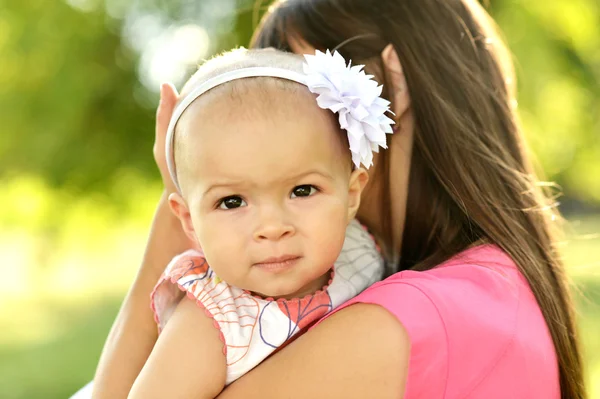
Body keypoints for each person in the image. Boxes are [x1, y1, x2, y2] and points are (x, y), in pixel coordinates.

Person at [86, 0, 586, 398]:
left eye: (307, 98)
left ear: (396, 92)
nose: (267, 140)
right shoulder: (495, 283)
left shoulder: (401, 320)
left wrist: (182, 215)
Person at [126, 47, 387, 398]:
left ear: (351, 194)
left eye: (302, 190)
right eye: (232, 202)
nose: (272, 227)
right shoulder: (213, 324)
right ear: (189, 220)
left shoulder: (360, 250)